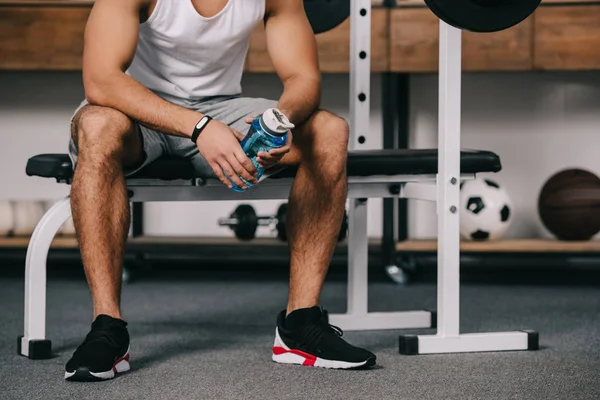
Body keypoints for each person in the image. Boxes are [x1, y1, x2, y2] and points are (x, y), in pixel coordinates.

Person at [65, 0, 376, 381]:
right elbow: (101, 80)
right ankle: (107, 328)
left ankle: (300, 324)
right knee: (97, 127)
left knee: (329, 132)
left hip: (221, 108)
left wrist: (278, 121)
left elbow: (303, 78)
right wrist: (199, 127)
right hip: (136, 109)